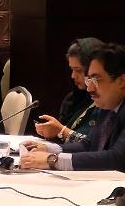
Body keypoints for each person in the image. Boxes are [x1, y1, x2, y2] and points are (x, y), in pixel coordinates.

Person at [21, 43, 125, 171]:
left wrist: (53, 160)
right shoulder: (108, 106)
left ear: (121, 81)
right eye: (89, 80)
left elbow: (118, 159)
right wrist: (48, 149)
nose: (90, 88)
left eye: (96, 80)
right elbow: (89, 145)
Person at [34, 38, 104, 144]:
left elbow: (97, 145)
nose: (73, 76)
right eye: (72, 69)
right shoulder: (72, 100)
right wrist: (51, 134)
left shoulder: (108, 103)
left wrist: (61, 131)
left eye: (78, 70)